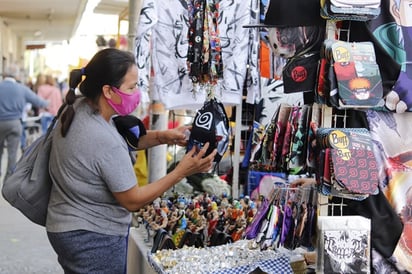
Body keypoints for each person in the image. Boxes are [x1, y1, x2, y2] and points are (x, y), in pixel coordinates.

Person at [46, 48, 217, 274]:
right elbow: (133, 200)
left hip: (69, 226)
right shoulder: (101, 137)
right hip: (91, 237)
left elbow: (109, 151)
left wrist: (162, 136)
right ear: (108, 90)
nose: (137, 93)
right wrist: (181, 172)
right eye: (131, 87)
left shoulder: (78, 108)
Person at [0, 68, 49, 181]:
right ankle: (8, 178)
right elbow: (39, 102)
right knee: (12, 152)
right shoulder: (22, 89)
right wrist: (48, 103)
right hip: (15, 123)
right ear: (15, 77)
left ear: (4, 77)